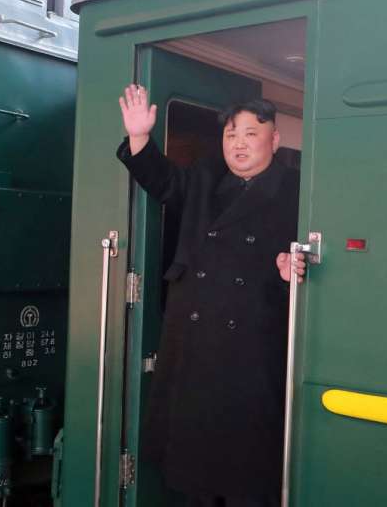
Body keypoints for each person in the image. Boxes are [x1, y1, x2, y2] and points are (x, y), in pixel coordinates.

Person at [116, 84, 302, 507]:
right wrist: (139, 136)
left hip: (254, 340)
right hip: (195, 338)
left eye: (251, 134)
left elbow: (314, 255)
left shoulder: (298, 190)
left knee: (247, 462)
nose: (239, 144)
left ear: (274, 139)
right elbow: (164, 182)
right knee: (195, 460)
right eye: (231, 134)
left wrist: (294, 270)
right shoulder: (205, 177)